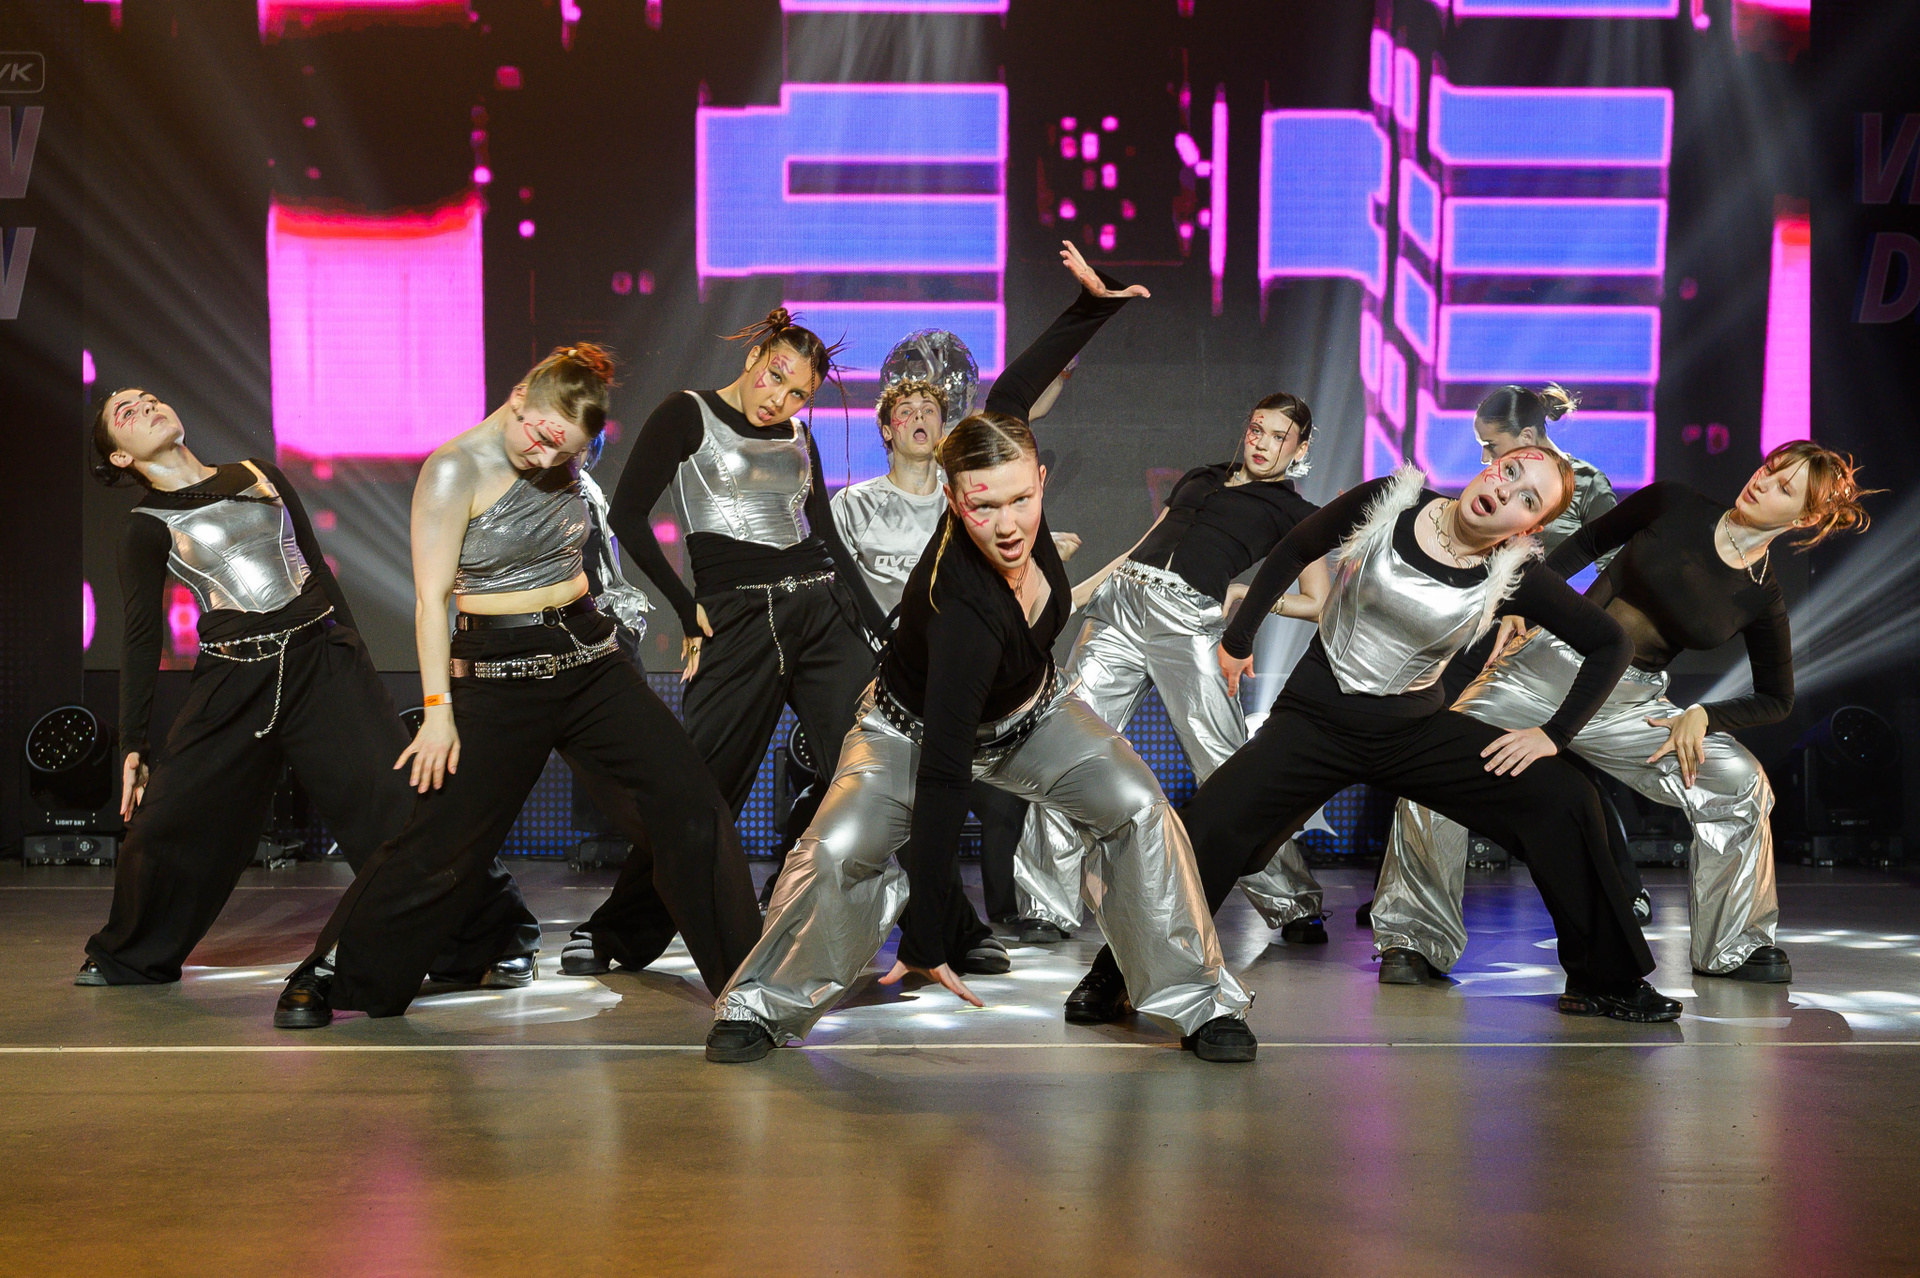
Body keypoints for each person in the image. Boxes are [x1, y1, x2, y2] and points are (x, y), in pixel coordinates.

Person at [707, 263, 1258, 1065]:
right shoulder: (961, 604)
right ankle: (759, 1005)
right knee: (833, 851)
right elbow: (943, 773)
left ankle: (1200, 1000)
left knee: (1141, 810)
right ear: (953, 500)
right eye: (981, 506)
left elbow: (1016, 389)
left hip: (1036, 719)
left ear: (1040, 477)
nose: (1006, 524)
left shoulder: (1003, 459)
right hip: (908, 735)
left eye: (1020, 499)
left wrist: (1089, 309)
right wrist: (929, 928)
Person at [1071, 444, 1685, 1023]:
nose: (1507, 491)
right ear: (1489, 468)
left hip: (1411, 732)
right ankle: (1118, 972)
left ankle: (1605, 980)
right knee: (1210, 826)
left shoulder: (1513, 573)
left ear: (1530, 528)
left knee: (1564, 796)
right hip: (1315, 720)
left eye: (1529, 499)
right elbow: (1294, 548)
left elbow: (1611, 644)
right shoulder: (1394, 500)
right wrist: (1238, 639)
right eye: (1511, 472)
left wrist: (1554, 735)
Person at [273, 345, 762, 1027]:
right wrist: (438, 712)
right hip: (499, 673)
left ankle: (752, 987)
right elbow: (431, 602)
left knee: (690, 804)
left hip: (589, 658)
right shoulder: (455, 469)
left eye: (565, 450)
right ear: (519, 395)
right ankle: (332, 970)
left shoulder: (562, 452)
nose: (545, 456)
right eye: (540, 436)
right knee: (441, 840)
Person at [75, 388, 536, 988]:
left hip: (320, 660)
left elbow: (316, 569)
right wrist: (133, 743)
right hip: (233, 678)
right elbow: (140, 635)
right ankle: (129, 954)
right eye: (127, 413)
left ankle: (498, 936)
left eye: (149, 398)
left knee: (399, 804)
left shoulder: (258, 473)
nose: (146, 407)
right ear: (119, 457)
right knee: (168, 817)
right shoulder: (143, 526)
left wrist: (353, 658)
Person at [1371, 440, 1879, 985]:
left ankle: (1735, 945)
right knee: (1436, 762)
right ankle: (1415, 938)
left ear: (1803, 518)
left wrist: (1704, 716)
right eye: (1769, 468)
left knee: (1740, 782)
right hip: (1542, 670)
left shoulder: (1762, 596)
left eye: (1783, 487)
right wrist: (1519, 600)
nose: (1762, 482)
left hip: (1629, 704)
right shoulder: (1675, 502)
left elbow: (1777, 698)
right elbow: (1587, 541)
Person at [1011, 392, 1335, 948]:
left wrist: (1250, 596)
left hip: (1188, 621)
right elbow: (1141, 547)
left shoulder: (1296, 513)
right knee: (1065, 742)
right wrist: (1072, 597)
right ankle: (1044, 904)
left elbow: (1319, 602)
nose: (1262, 443)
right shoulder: (1202, 476)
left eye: (1279, 436)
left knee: (1227, 763)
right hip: (1120, 605)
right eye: (1257, 429)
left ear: (1300, 448)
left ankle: (1292, 899)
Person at [827, 329, 1082, 928]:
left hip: (964, 681)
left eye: (931, 410)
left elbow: (1012, 415)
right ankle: (921, 923)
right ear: (886, 428)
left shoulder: (968, 506)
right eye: (907, 410)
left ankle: (996, 919)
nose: (920, 418)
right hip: (887, 683)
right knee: (886, 798)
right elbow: (834, 591)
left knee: (1000, 794)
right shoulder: (854, 505)